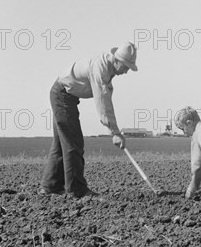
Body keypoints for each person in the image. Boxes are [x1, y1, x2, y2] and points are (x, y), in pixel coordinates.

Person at [39, 42, 138, 198]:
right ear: (117, 61)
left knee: (61, 143)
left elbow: (107, 101)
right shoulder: (100, 68)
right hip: (62, 95)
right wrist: (115, 132)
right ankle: (76, 190)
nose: (126, 71)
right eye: (126, 66)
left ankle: (50, 186)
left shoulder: (107, 71)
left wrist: (114, 129)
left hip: (65, 96)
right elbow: (102, 103)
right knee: (74, 142)